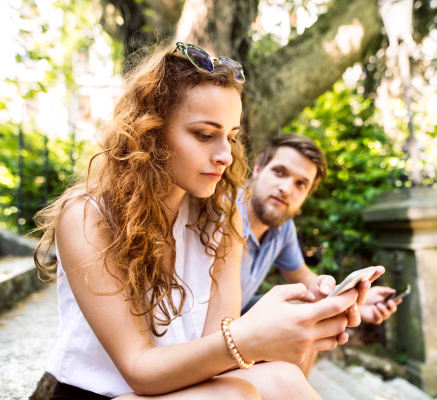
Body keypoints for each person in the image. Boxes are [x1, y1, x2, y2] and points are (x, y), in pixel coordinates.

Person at [33, 43, 378, 400]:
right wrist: (250, 337)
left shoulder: (218, 215)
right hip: (102, 395)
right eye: (204, 135)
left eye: (230, 136)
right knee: (245, 393)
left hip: (186, 388)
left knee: (285, 377)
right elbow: (139, 370)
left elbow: (219, 348)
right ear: (149, 131)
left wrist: (293, 325)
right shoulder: (88, 216)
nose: (226, 156)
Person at [239, 133, 402, 377]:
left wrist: (356, 298)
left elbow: (303, 276)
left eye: (300, 184)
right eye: (279, 172)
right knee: (301, 318)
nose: (286, 189)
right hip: (206, 325)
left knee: (312, 314)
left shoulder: (282, 228)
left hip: (238, 313)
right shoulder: (226, 212)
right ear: (258, 169)